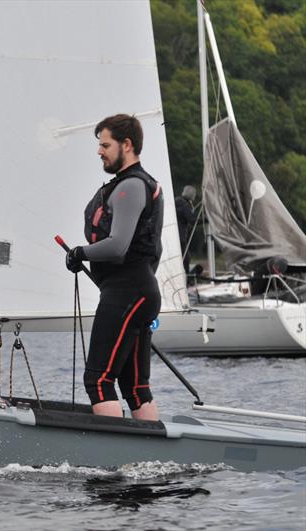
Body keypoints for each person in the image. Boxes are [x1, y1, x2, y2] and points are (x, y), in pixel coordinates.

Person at [65, 114, 163, 421]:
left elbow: (118, 245)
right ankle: (152, 459)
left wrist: (80, 252)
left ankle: (112, 463)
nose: (99, 151)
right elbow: (154, 250)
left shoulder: (130, 186)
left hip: (128, 293)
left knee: (98, 380)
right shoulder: (137, 185)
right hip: (139, 292)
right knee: (135, 388)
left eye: (105, 145)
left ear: (127, 145)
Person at [175, 185, 197, 278]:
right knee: (186, 259)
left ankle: (178, 277)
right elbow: (192, 219)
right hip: (181, 237)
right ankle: (187, 279)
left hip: (174, 236)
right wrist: (205, 219)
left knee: (178, 259)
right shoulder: (185, 205)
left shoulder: (176, 201)